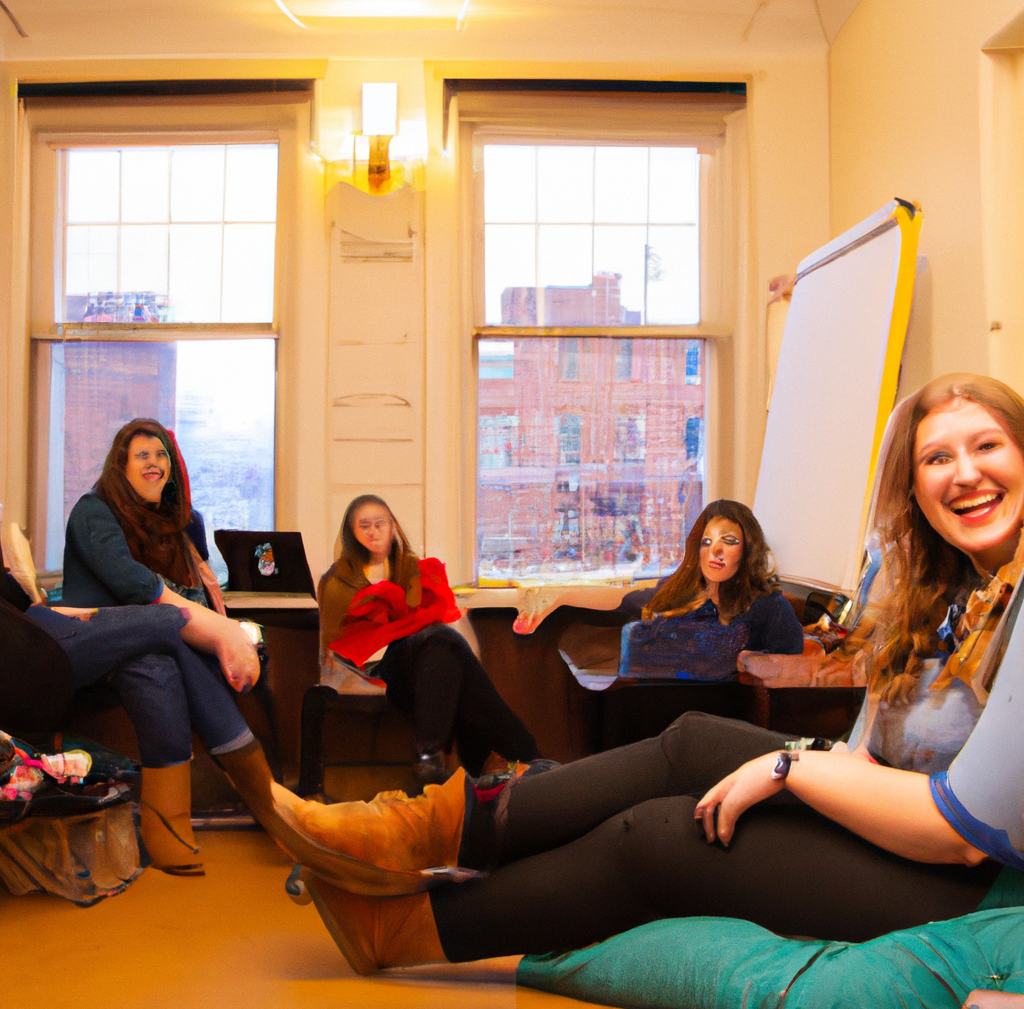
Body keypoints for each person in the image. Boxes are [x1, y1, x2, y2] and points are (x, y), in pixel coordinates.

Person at [270, 373, 1024, 974]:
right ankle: (407, 833)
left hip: (968, 875)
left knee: (663, 837)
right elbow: (865, 755)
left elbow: (963, 830)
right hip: (895, 822)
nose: (965, 476)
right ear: (916, 489)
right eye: (937, 458)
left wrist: (789, 768)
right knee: (689, 739)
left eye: (987, 447)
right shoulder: (943, 595)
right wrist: (806, 767)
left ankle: (400, 928)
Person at [57, 418, 318, 876]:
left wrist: (229, 631)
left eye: (161, 455)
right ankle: (271, 805)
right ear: (121, 465)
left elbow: (189, 594)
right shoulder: (92, 511)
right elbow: (138, 589)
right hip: (95, 637)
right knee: (163, 627)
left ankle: (181, 821)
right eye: (142, 455)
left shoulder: (181, 522)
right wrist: (220, 634)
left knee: (159, 662)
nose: (154, 463)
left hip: (151, 648)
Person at [318, 494, 542, 780]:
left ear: (392, 527)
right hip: (376, 667)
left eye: (380, 524)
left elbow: (427, 615)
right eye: (364, 526)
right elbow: (337, 645)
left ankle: (430, 757)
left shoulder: (410, 566)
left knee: (445, 649)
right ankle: (523, 754)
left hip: (424, 661)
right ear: (351, 532)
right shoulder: (338, 580)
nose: (373, 531)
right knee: (446, 646)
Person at [615, 499, 804, 678]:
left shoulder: (770, 607)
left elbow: (791, 676)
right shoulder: (678, 592)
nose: (715, 551)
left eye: (728, 540)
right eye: (707, 542)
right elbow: (626, 607)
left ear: (748, 549)